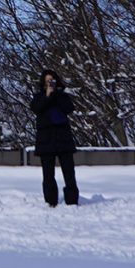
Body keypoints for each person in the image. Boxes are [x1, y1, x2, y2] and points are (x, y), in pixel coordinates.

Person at [33, 69, 79, 207]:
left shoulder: (62, 96)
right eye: (47, 81)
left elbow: (69, 108)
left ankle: (72, 199)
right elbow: (36, 108)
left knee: (69, 172)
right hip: (46, 140)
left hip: (63, 138)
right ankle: (50, 200)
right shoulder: (39, 97)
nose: (50, 83)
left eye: (52, 80)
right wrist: (47, 96)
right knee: (48, 173)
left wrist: (56, 94)